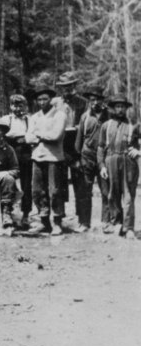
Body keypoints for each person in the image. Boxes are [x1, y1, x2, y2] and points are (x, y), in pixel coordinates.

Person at [24, 86, 67, 235]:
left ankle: (57, 222)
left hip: (54, 158)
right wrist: (39, 135)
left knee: (54, 191)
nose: (42, 102)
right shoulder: (34, 117)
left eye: (45, 99)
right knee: (37, 190)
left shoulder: (59, 115)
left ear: (51, 100)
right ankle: (44, 221)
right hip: (37, 157)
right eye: (39, 99)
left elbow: (55, 135)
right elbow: (28, 137)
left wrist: (38, 134)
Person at [97, 97, 140, 238]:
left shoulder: (134, 124)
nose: (120, 109)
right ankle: (117, 223)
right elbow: (101, 147)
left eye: (122, 107)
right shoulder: (106, 125)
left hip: (128, 161)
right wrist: (102, 166)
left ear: (126, 108)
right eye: (117, 107)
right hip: (110, 161)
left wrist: (139, 151)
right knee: (112, 194)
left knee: (128, 195)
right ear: (113, 109)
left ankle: (128, 228)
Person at [56, 71, 88, 233]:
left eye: (69, 86)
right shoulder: (55, 103)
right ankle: (58, 220)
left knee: (80, 185)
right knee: (59, 185)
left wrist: (76, 129)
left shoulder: (82, 102)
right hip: (60, 148)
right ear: (60, 89)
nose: (67, 89)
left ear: (74, 86)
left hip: (77, 147)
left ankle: (83, 220)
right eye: (63, 87)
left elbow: (86, 125)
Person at [75, 89, 108, 232]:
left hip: (105, 158)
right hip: (87, 157)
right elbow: (79, 139)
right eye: (92, 100)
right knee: (84, 191)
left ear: (102, 100)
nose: (95, 103)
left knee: (106, 190)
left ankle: (106, 222)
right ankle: (84, 223)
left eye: (98, 100)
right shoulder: (85, 116)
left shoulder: (109, 115)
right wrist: (78, 158)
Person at [5, 95, 34, 229]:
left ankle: (26, 215)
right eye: (14, 105)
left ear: (25, 106)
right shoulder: (6, 119)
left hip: (25, 155)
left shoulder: (29, 120)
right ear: (10, 106)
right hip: (9, 156)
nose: (17, 108)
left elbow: (32, 136)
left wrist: (24, 138)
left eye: (20, 105)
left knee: (26, 186)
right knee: (9, 184)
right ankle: (8, 214)